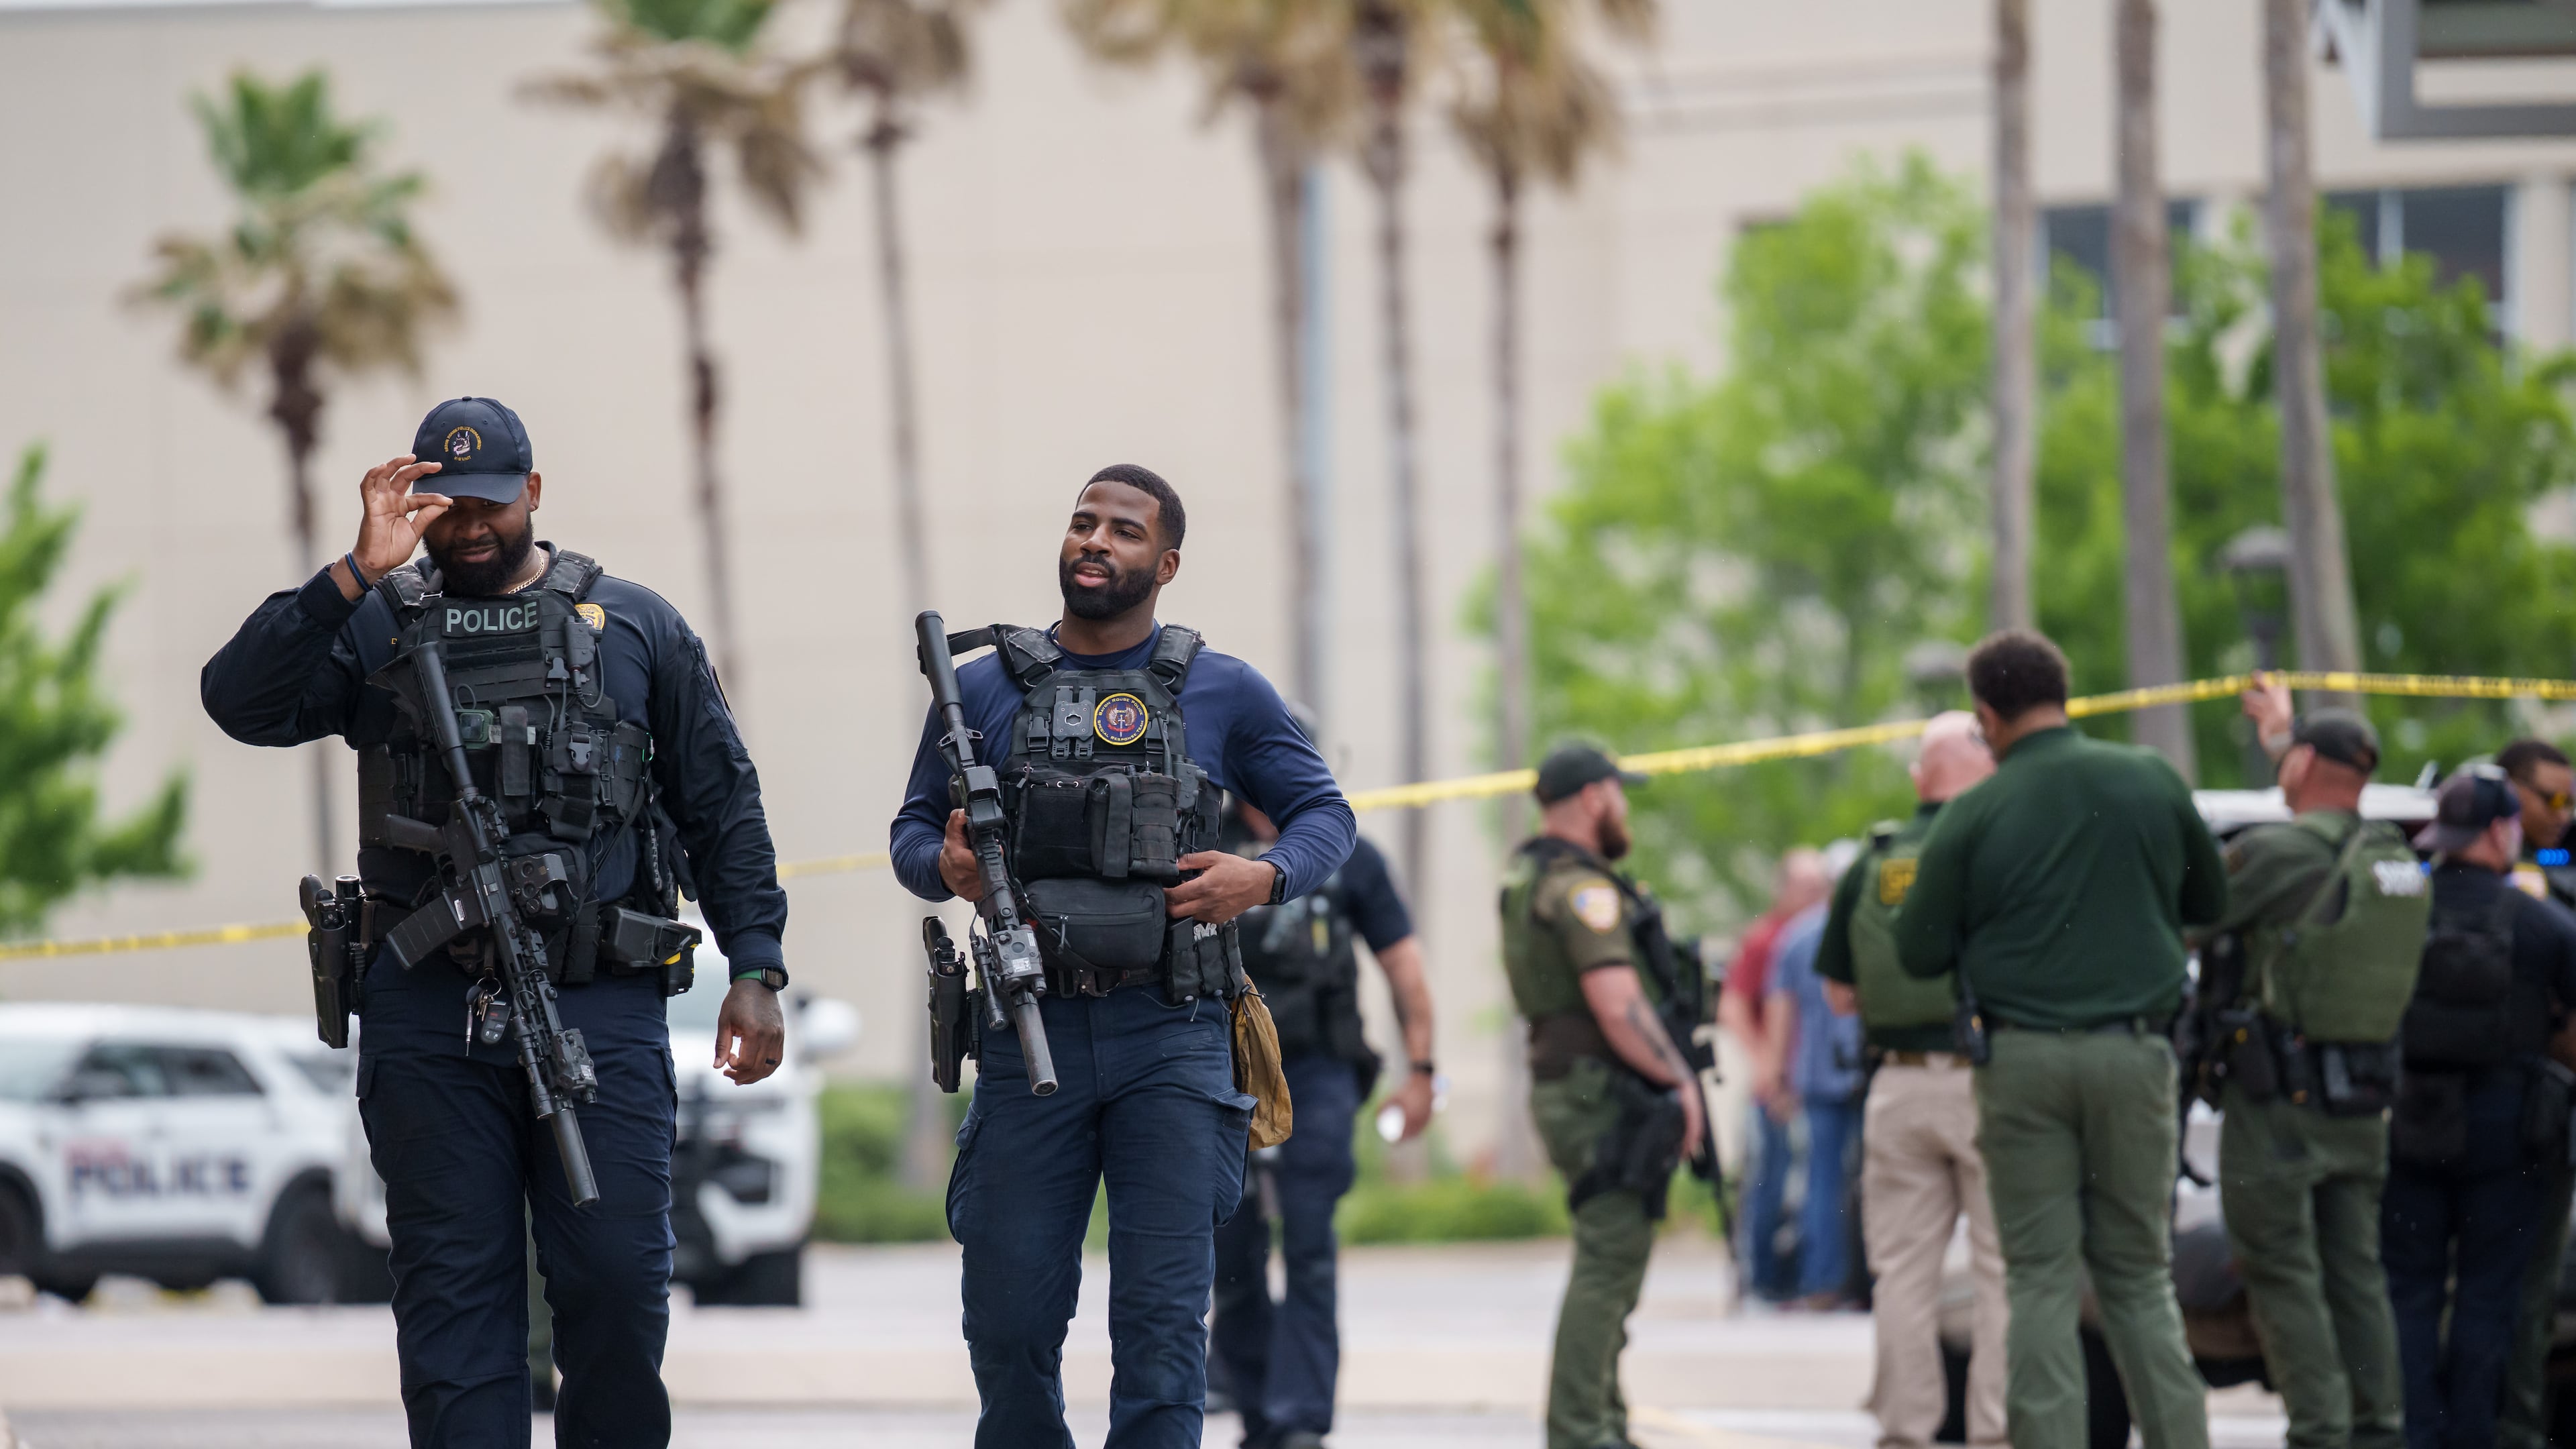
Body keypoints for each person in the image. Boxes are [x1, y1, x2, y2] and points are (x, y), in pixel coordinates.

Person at [201, 397, 791, 1448]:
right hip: (429, 1013)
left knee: (615, 1282)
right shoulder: (378, 618)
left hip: (597, 1001)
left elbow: (721, 804)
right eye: (444, 507)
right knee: (455, 1308)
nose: (468, 527)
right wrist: (352, 576)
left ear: (532, 492)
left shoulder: (636, 627)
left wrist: (758, 962)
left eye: (485, 504)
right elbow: (240, 702)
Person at [888, 464, 1355, 1449]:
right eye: (1083, 523)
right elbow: (911, 837)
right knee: (1007, 1323)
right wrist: (948, 864)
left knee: (1160, 1333)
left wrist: (1259, 878)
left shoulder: (1223, 689)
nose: (1096, 541)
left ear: (1166, 562)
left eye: (1125, 531)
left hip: (1175, 1036)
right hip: (1030, 1034)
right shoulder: (978, 689)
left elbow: (1327, 815)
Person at [1894, 628, 2224, 1449]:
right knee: (2140, 1277)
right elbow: (2209, 901)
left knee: (2039, 1278)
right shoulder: (2150, 779)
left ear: (1985, 717)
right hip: (2136, 1055)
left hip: (2024, 1062)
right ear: (2064, 694)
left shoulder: (1973, 814)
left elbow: (1917, 950)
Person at [2201, 681, 2427, 1449]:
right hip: (2363, 1104)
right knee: (2356, 1274)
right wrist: (2285, 741)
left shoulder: (2277, 854)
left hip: (2279, 1107)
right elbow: (2321, 792)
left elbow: (2192, 916)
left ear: (2300, 764)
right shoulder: (2396, 859)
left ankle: (2320, 1433)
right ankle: (2376, 1429)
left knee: (2282, 1273)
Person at [1208, 792, 1436, 1449]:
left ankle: (1300, 1419)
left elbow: (1404, 967)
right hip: (1225, 1070)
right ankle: (1258, 1417)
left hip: (1319, 1070)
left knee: (1310, 1244)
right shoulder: (1202, 842)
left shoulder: (1348, 855)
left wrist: (1422, 1070)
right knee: (1233, 1250)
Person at [1500, 743, 1705, 1449]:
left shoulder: (1531, 872)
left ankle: (1604, 1423)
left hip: (1574, 1087)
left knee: (1612, 1257)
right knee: (1609, 1260)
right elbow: (1618, 1004)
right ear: (1593, 798)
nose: (1623, 808)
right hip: (1597, 1093)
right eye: (1619, 793)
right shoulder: (1581, 888)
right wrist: (1679, 1080)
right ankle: (1582, 1431)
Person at [1815, 711, 2007, 1449]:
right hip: (1985, 1078)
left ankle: (1905, 1431)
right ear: (1984, 766)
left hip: (1894, 1086)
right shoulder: (1997, 848)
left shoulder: (1874, 862)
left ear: (1922, 776)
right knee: (2001, 1270)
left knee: (1902, 1276)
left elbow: (1837, 993)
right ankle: (1996, 1433)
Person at [2381, 765, 2576, 1449]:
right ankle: (2474, 1436)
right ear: (2501, 832)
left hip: (2410, 1123)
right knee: (2489, 1297)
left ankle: (2414, 1435)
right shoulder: (2544, 923)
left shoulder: (2397, 914)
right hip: (2508, 1132)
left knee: (2409, 1292)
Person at [2495, 737, 2576, 1449]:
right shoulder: (2457, 870)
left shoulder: (2559, 875)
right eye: (2549, 797)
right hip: (2489, 1117)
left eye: (2570, 800)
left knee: (2531, 1297)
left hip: (2547, 1118)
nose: (2563, 814)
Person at [1718, 848, 1831, 1302]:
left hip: (1814, 1077)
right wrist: (1767, 1064)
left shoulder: (1822, 934)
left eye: (1820, 888)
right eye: (1806, 888)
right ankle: (1762, 1278)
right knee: (1770, 1178)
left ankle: (1797, 1277)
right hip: (1777, 1081)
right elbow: (1733, 1005)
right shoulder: (1767, 939)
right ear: (1782, 890)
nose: (1815, 897)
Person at [1765, 896, 1864, 1310]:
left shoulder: (1798, 934)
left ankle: (1822, 1282)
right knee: (1875, 1181)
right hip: (1864, 1070)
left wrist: (1777, 1073)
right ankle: (1866, 1283)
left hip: (1816, 1075)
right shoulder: (1867, 925)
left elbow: (1781, 1009)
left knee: (1820, 1181)